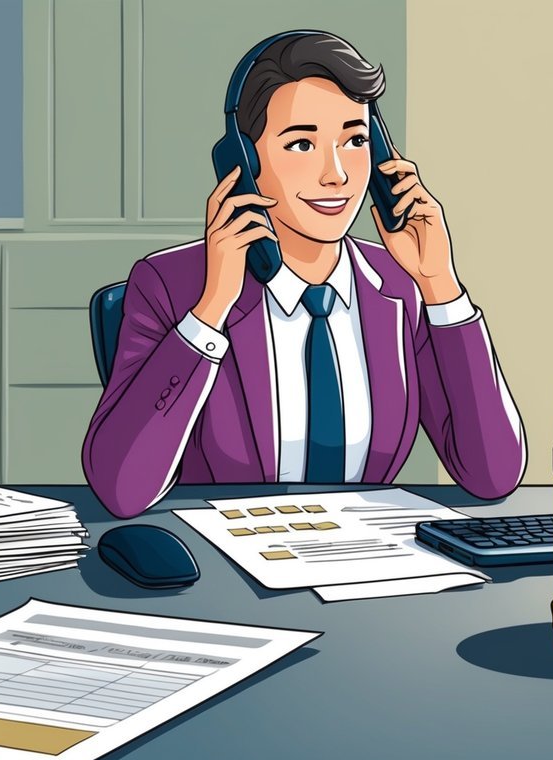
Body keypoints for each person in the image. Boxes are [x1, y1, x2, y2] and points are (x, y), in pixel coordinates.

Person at [82, 31, 525, 519]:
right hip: (228, 576)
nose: (336, 174)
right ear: (244, 162)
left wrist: (441, 286)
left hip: (371, 567)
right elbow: (120, 490)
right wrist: (210, 311)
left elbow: (492, 475)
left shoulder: (398, 286)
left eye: (355, 140)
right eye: (301, 144)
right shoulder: (171, 285)